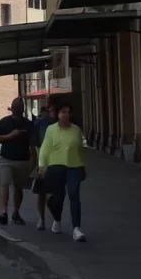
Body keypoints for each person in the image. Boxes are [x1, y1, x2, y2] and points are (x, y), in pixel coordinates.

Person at [38, 103, 87, 242]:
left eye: (68, 112)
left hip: (74, 166)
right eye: (63, 112)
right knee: (58, 197)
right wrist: (42, 166)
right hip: (56, 166)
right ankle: (57, 219)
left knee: (74, 194)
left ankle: (76, 228)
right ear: (58, 114)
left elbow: (80, 150)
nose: (66, 114)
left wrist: (83, 166)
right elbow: (45, 148)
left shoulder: (76, 130)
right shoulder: (51, 130)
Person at [0, 97, 33, 226]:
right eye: (17, 105)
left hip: (22, 159)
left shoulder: (28, 124)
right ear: (12, 108)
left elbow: (32, 143)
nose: (20, 108)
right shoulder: (4, 122)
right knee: (4, 184)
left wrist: (34, 161)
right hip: (6, 158)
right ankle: (3, 212)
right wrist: (10, 136)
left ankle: (16, 212)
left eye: (21, 106)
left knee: (18, 187)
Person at [31, 98, 58, 230]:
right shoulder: (41, 124)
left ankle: (56, 219)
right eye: (50, 109)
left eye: (54, 110)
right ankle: (41, 219)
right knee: (42, 191)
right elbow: (36, 145)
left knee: (55, 193)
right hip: (44, 162)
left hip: (59, 162)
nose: (52, 112)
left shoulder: (62, 124)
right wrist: (38, 164)